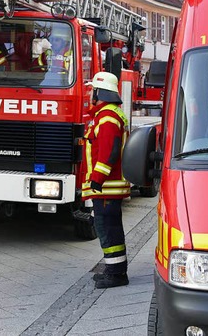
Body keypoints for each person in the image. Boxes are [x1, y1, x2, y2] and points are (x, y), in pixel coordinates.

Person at [82, 72, 131, 289]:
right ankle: (113, 269)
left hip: (106, 186)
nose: (90, 94)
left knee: (108, 228)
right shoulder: (105, 115)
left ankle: (117, 274)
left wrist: (97, 179)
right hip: (104, 187)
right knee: (106, 226)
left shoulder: (108, 118)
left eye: (93, 90)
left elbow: (109, 152)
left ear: (99, 92)